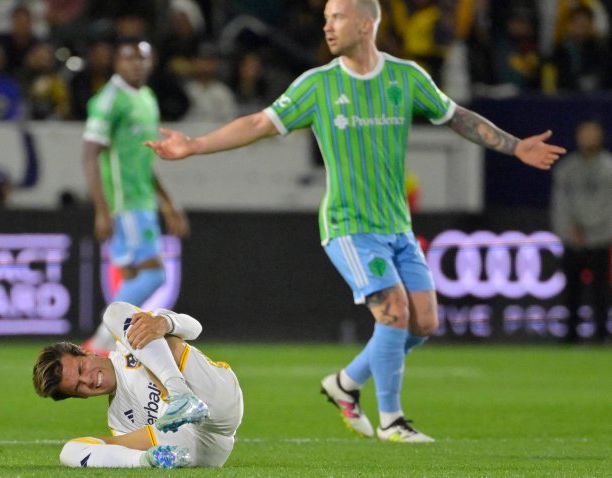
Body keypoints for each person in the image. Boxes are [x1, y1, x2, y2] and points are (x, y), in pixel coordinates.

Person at [145, 0, 566, 443]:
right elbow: (258, 122)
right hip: (349, 226)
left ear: (366, 24)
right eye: (325, 18)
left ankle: (346, 383)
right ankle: (392, 420)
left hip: (397, 226)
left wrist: (515, 145)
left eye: (337, 18)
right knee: (395, 314)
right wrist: (195, 145)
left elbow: (456, 117)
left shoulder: (406, 78)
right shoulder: (318, 84)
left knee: (424, 323)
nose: (326, 26)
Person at [32, 301, 241, 468]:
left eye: (81, 368)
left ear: (87, 352)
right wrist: (144, 459)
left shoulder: (129, 339)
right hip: (203, 453)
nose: (87, 380)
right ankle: (149, 461)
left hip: (217, 400)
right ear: (81, 397)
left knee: (116, 314)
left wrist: (165, 323)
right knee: (69, 452)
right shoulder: (119, 421)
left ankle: (180, 394)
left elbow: (195, 328)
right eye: (78, 387)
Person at [81, 39, 189, 353]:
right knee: (154, 273)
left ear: (151, 62)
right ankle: (102, 341)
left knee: (131, 276)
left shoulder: (147, 98)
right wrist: (102, 209)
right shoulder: (108, 100)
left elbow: (145, 159)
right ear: (116, 63)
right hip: (125, 202)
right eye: (128, 58)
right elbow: (90, 156)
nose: (136, 64)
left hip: (143, 198)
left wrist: (168, 202)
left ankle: (111, 344)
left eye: (142, 58)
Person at [550, 120, 612, 344]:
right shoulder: (567, 169)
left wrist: (590, 228)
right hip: (572, 240)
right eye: (584, 134)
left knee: (601, 292)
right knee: (571, 292)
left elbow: (607, 207)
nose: (587, 139)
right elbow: (560, 204)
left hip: (599, 239)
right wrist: (569, 229)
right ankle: (570, 337)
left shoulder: (608, 168)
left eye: (592, 134)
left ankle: (602, 336)